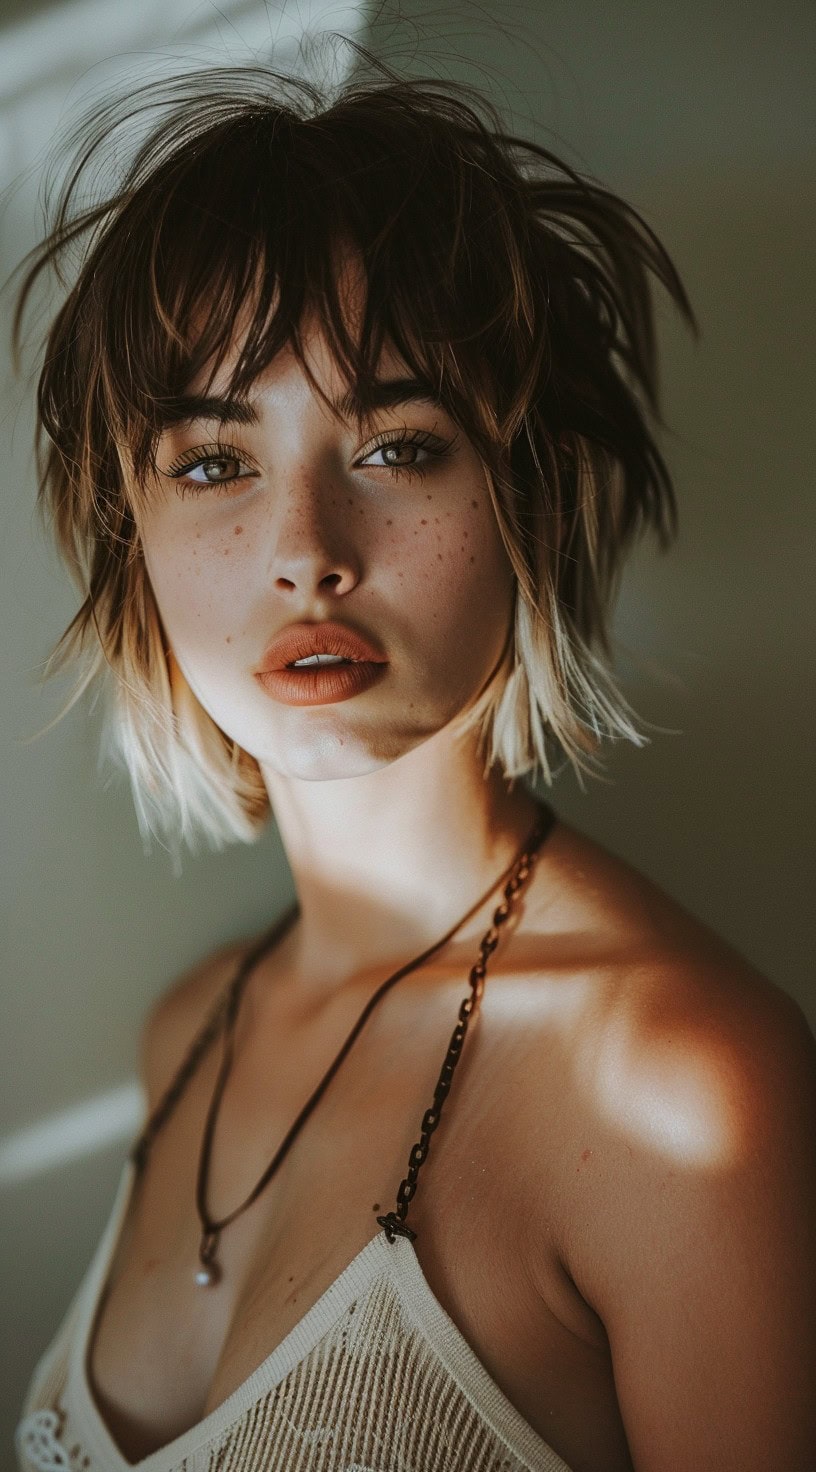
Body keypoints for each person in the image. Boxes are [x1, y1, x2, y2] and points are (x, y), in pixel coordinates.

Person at [12, 41, 816, 1472]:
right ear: (132, 533)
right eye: (214, 463)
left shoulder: (683, 1085)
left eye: (396, 447)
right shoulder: (191, 1024)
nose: (307, 553)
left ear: (528, 500)